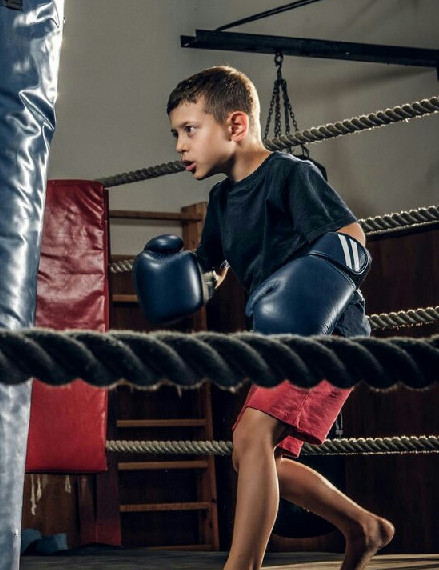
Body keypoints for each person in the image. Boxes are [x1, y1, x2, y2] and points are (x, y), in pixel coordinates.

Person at [134, 66, 394, 570]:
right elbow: (213, 269)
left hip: (328, 334)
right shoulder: (222, 199)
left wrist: (305, 294)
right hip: (278, 339)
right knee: (254, 455)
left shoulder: (290, 175)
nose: (181, 146)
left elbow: (352, 238)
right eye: (176, 135)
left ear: (235, 125)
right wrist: (181, 278)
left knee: (252, 438)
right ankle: (364, 527)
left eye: (191, 130)